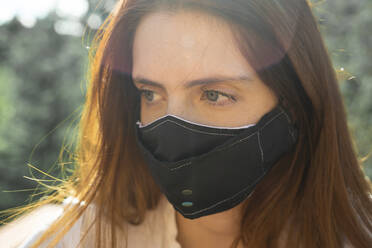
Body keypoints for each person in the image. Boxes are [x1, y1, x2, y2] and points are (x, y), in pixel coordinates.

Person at [1, 0, 372, 247]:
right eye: (150, 93)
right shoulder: (78, 238)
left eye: (213, 95)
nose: (172, 128)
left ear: (296, 102)